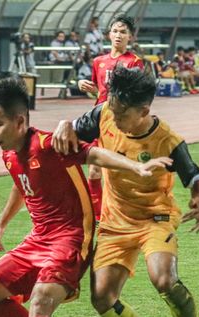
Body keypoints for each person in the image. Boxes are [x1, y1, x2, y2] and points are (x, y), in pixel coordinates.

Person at [0, 78, 172, 317]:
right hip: (37, 238)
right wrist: (1, 225)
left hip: (72, 237)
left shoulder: (49, 145)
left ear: (20, 121)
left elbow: (95, 155)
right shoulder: (10, 153)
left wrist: (137, 166)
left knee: (41, 299)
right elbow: (22, 185)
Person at [52, 66, 199, 317]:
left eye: (121, 115)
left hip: (155, 219)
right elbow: (74, 127)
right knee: (102, 297)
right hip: (115, 223)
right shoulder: (105, 112)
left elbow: (195, 178)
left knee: (164, 279)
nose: (113, 119)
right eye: (112, 110)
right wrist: (64, 124)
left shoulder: (167, 140)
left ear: (144, 111)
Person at [77, 14, 144, 222]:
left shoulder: (134, 62)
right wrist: (85, 87)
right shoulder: (99, 62)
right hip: (99, 120)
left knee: (119, 172)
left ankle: (128, 211)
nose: (118, 35)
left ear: (130, 37)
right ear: (108, 34)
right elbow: (99, 93)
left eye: (123, 32)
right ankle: (98, 217)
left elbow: (136, 95)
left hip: (121, 123)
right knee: (94, 171)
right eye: (115, 31)